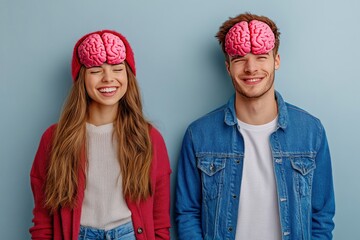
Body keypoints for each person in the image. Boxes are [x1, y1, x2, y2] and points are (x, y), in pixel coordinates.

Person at [175, 13, 335, 240]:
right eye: (239, 58)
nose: (251, 68)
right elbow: (188, 212)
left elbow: (322, 217)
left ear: (276, 60)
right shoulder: (198, 135)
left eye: (261, 56)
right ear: (228, 67)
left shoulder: (311, 132)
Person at [29, 30, 171, 240]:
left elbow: (159, 220)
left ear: (128, 76)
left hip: (129, 234)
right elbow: (43, 219)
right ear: (81, 78)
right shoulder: (54, 139)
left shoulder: (149, 138)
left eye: (117, 69)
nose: (108, 78)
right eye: (96, 70)